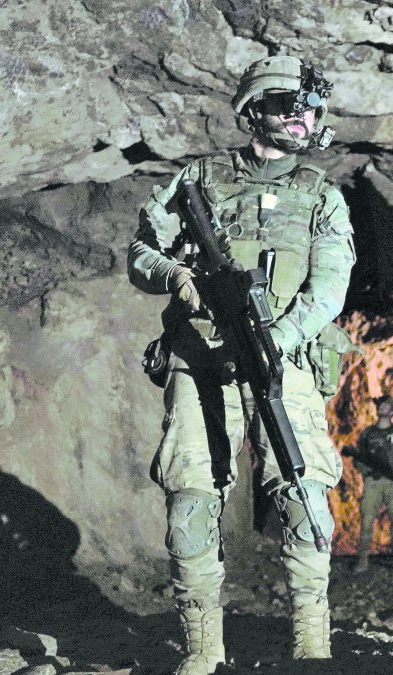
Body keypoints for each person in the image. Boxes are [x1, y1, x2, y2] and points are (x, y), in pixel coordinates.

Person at [127, 55, 355, 674]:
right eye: (288, 106)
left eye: (310, 108)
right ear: (254, 110)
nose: (303, 118)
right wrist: (176, 275)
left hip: (282, 363)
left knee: (305, 496)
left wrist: (277, 339)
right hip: (200, 360)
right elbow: (141, 252)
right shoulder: (199, 179)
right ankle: (203, 650)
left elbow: (328, 290)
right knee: (191, 500)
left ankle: (312, 647)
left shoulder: (321, 195)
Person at [344, 394, 393, 570]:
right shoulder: (368, 433)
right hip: (373, 482)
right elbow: (358, 458)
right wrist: (368, 472)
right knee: (367, 520)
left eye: (385, 405)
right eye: (380, 405)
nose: (381, 407)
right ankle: (362, 561)